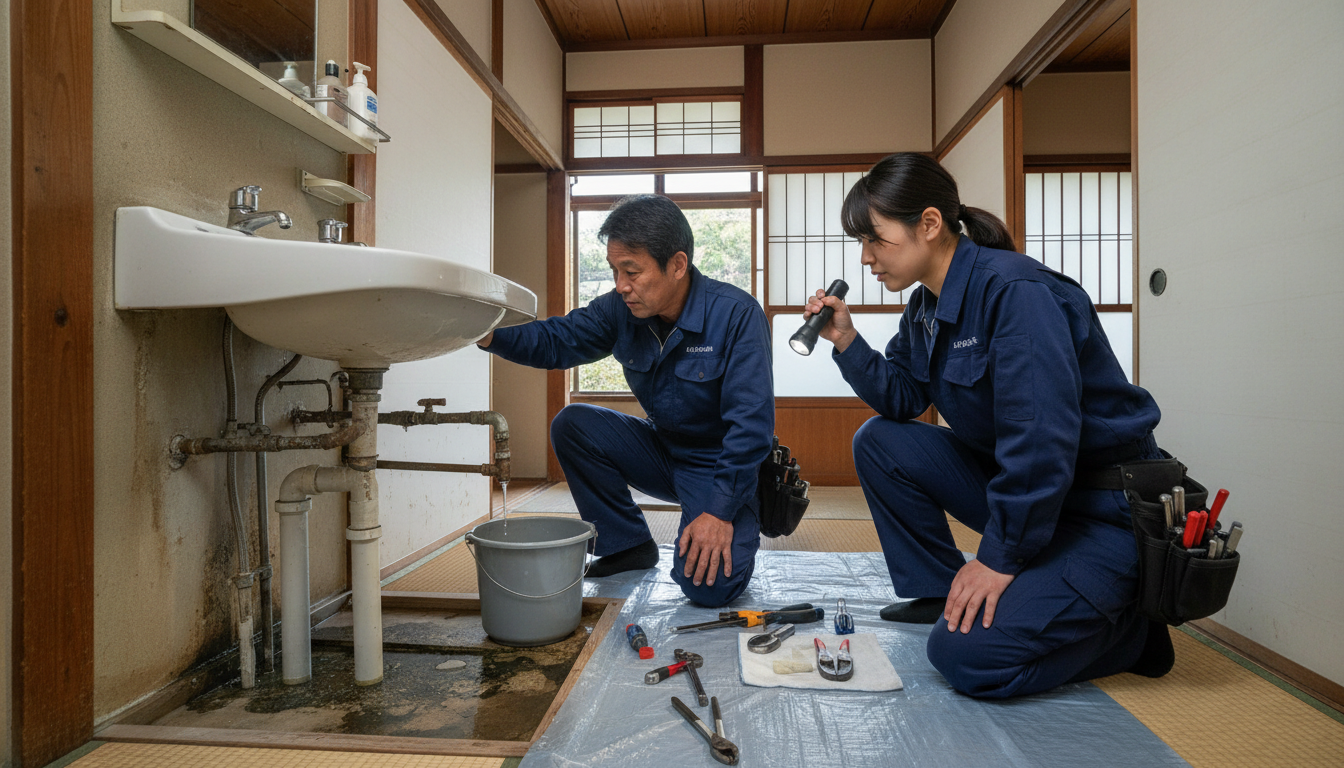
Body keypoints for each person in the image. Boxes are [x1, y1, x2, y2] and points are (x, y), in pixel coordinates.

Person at [802, 153, 1174, 698]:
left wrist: (997, 561)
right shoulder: (925, 308)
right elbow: (903, 399)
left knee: (965, 658)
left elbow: (1041, 439)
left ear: (929, 224)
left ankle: (1133, 634)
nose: (865, 259)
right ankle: (937, 589)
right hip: (1039, 497)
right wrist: (846, 340)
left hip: (1102, 512)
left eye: (875, 239)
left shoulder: (1015, 292)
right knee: (881, 441)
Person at [479, 194, 773, 607]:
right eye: (615, 271)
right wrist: (487, 332)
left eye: (631, 271)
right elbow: (556, 341)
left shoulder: (737, 315)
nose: (621, 286)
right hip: (662, 449)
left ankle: (739, 514)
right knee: (574, 423)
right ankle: (625, 545)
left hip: (719, 465)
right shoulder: (620, 309)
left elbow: (752, 426)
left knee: (710, 589)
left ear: (677, 265)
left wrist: (721, 511)